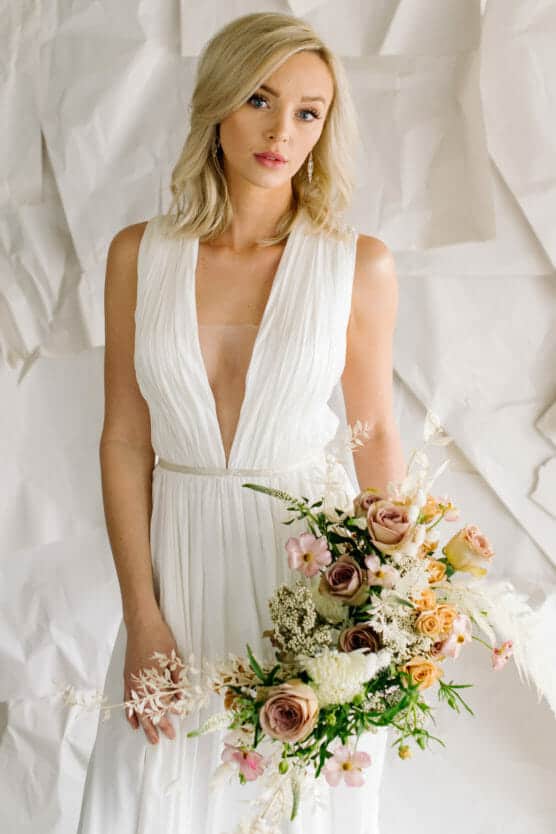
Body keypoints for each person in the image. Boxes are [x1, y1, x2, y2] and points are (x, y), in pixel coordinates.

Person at [77, 11, 405, 834]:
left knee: (292, 802)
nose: (281, 130)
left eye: (308, 111)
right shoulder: (137, 255)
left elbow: (377, 435)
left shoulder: (356, 265)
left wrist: (391, 608)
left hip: (302, 580)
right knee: (153, 786)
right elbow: (124, 438)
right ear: (218, 103)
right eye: (260, 99)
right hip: (176, 571)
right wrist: (142, 618)